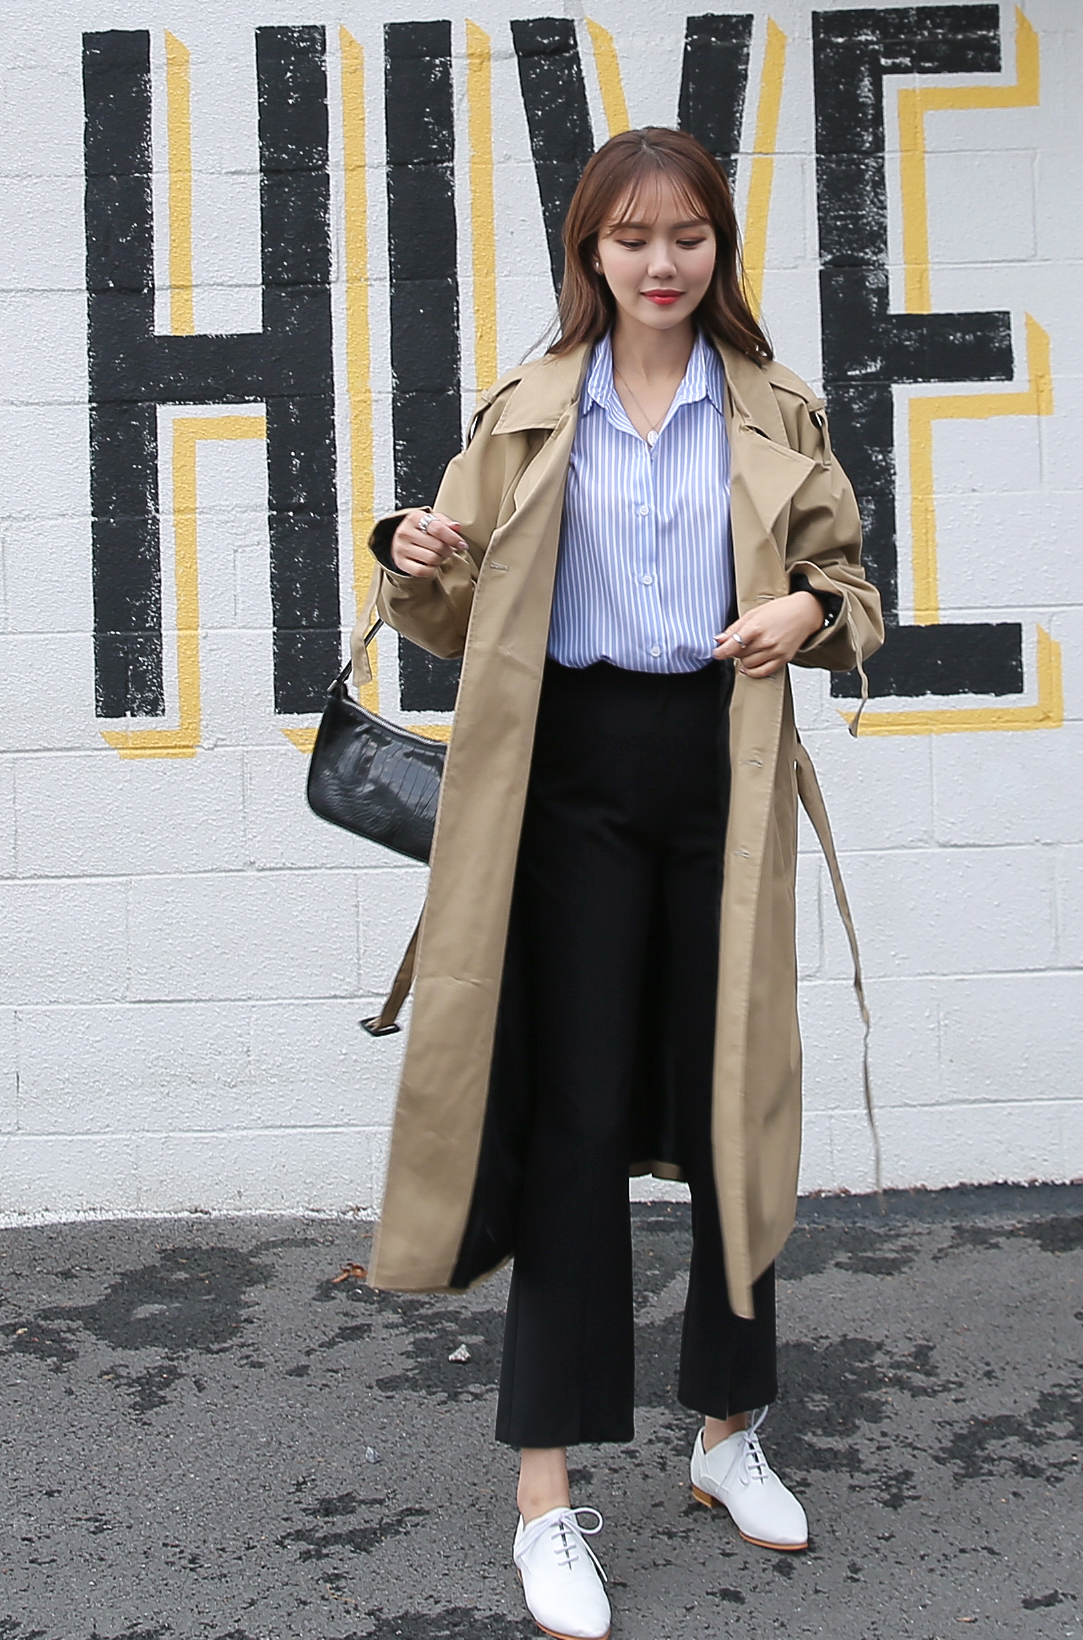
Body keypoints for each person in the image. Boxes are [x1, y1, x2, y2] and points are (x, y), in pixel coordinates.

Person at [363, 126, 882, 1640]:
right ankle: (547, 1499)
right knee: (574, 1124)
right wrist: (412, 555)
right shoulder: (529, 410)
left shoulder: (775, 405)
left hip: (720, 773)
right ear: (589, 250)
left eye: (689, 237)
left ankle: (728, 1434)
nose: (663, 264)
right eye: (633, 238)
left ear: (720, 247)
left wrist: (801, 614)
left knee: (733, 1109)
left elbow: (855, 590)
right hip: (569, 784)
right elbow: (449, 610)